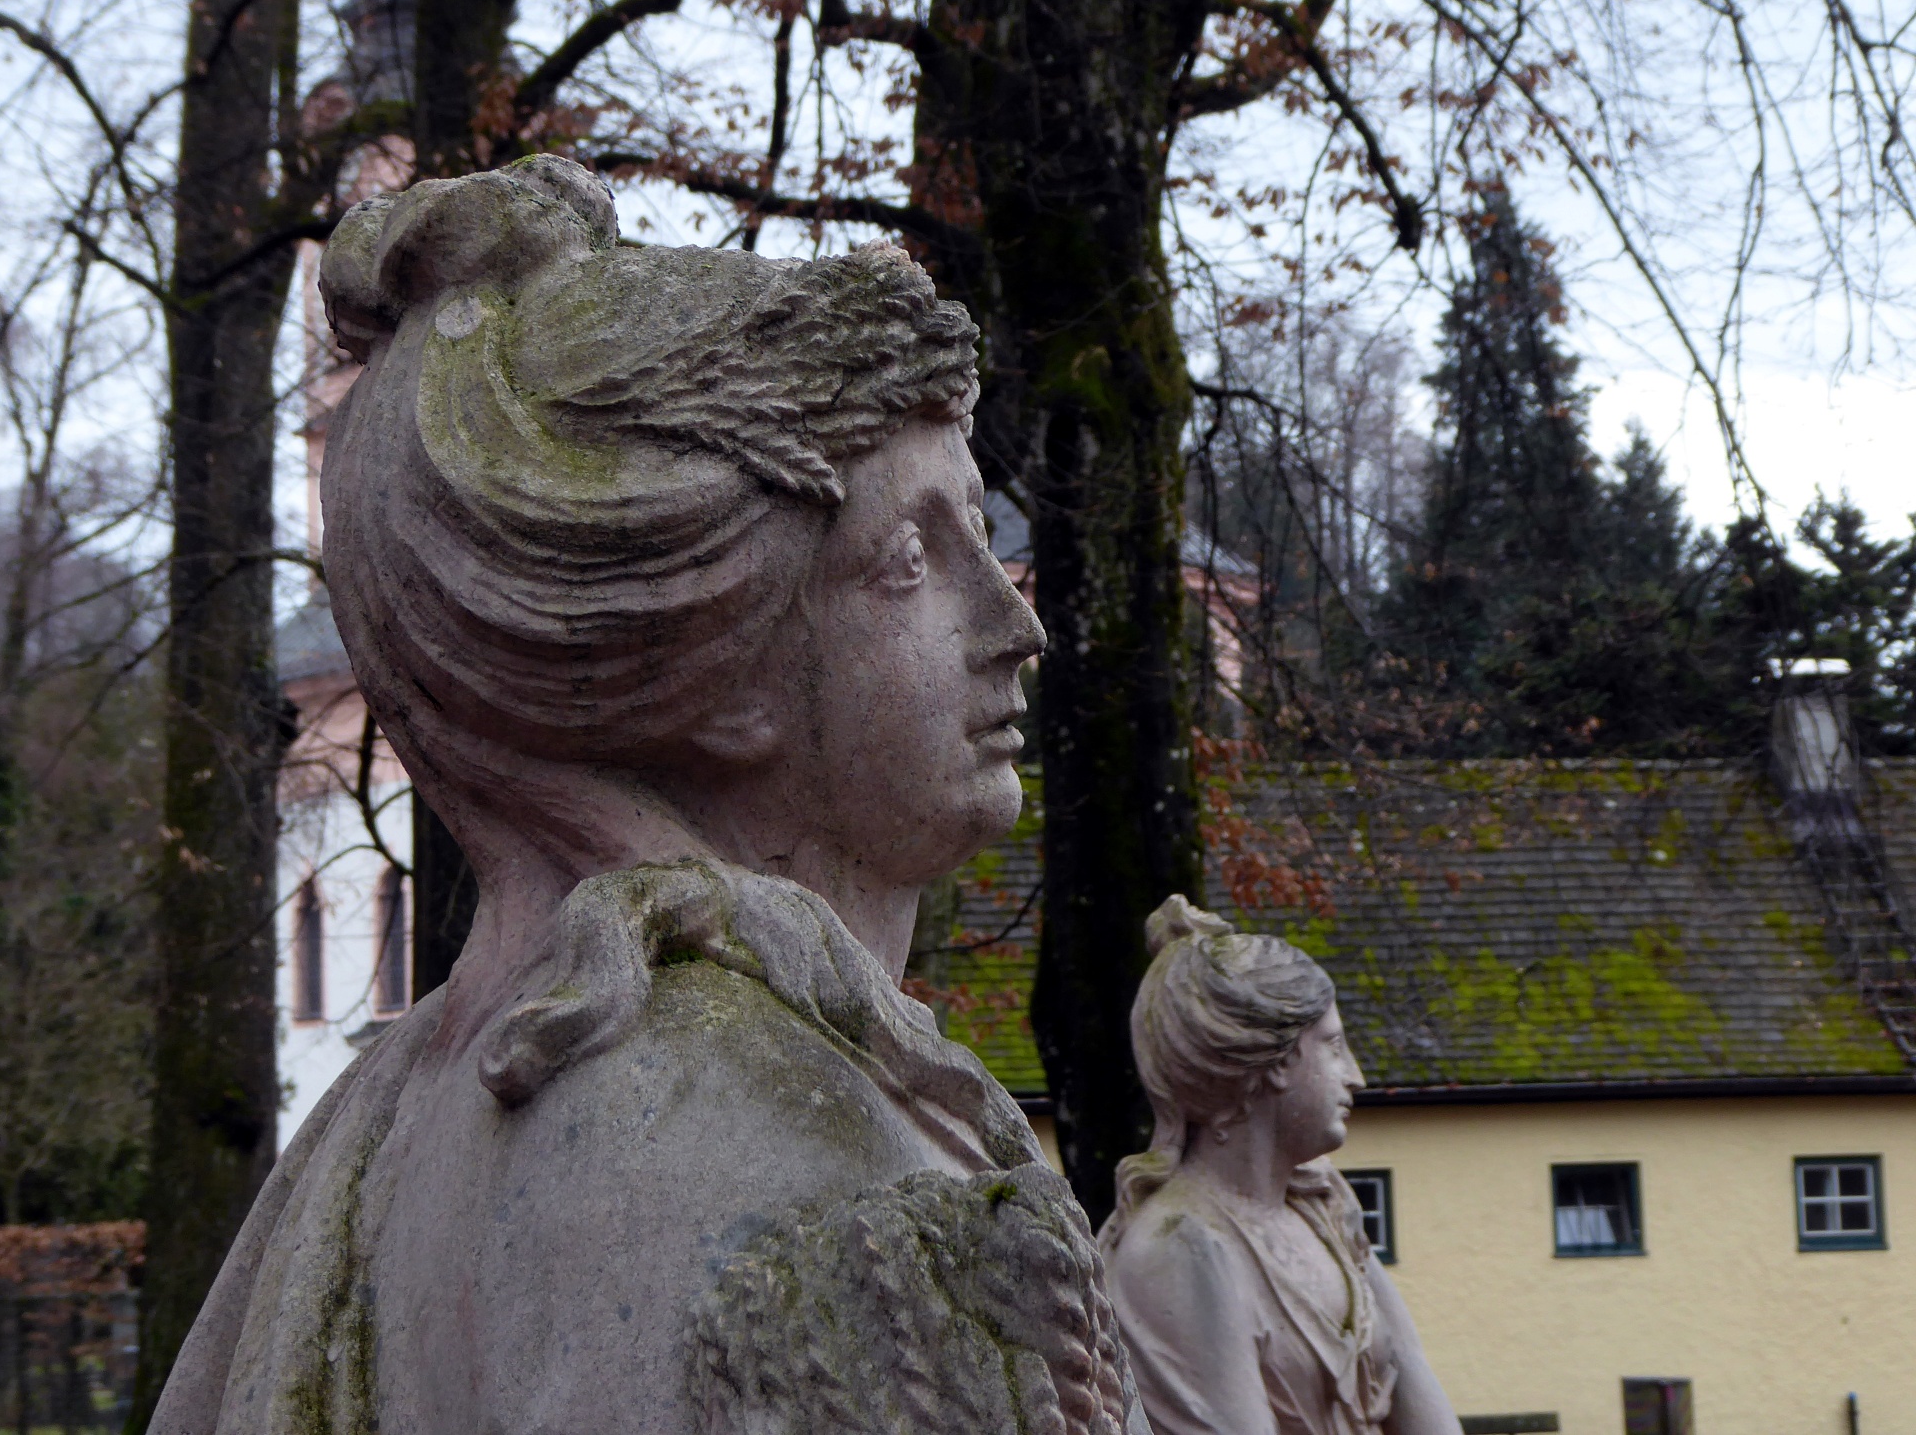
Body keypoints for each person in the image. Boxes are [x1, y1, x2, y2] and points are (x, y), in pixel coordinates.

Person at [149, 155, 1140, 1435]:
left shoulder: (409, 1108)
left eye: (983, 549)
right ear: (718, 678)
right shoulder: (773, 1166)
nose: (1015, 626)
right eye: (908, 559)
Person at [1099, 896, 1459, 1435]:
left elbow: (1419, 1391)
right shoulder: (1182, 1248)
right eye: (1334, 1047)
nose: (1355, 1076)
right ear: (1268, 1062)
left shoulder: (1322, 1212)